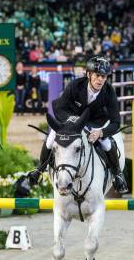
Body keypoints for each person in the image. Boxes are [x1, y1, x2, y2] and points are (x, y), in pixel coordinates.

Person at [26, 56, 127, 193]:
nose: (101, 80)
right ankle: (39, 170)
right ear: (88, 74)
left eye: (104, 77)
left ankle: (118, 175)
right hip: (71, 119)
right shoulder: (76, 85)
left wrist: (101, 133)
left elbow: (115, 122)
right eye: (98, 76)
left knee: (107, 143)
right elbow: (60, 107)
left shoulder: (109, 92)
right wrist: (71, 121)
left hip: (95, 122)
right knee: (51, 138)